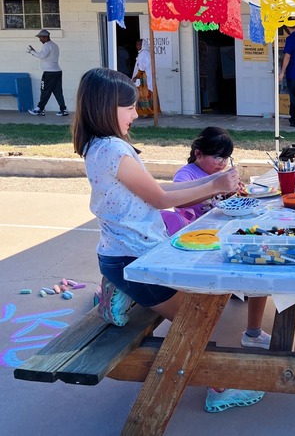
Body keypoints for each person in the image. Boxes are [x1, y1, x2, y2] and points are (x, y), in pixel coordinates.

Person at [72, 67, 264, 413]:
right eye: (128, 107)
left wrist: (210, 185)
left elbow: (160, 190)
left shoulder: (98, 146)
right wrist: (215, 186)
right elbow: (161, 200)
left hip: (129, 255)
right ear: (105, 107)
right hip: (135, 260)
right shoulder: (114, 149)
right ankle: (217, 388)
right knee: (197, 323)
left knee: (200, 304)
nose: (135, 113)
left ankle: (121, 293)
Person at [173, 126, 271, 349]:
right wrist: (215, 188)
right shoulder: (186, 175)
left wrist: (233, 193)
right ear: (198, 154)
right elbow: (177, 200)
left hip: (222, 233)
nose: (222, 162)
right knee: (253, 264)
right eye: (217, 156)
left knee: (260, 255)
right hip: (198, 240)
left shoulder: (219, 172)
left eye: (227, 157)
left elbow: (222, 203)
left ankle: (253, 330)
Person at [28, 29, 68, 117]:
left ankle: (39, 109)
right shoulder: (54, 45)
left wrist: (32, 52)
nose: (40, 39)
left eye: (40, 37)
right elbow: (45, 56)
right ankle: (63, 109)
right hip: (57, 71)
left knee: (45, 90)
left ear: (45, 37)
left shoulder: (47, 45)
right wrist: (35, 52)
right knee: (58, 91)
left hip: (49, 72)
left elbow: (42, 56)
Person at [132, 38, 159, 117]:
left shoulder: (143, 53)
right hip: (145, 76)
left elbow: (142, 66)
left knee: (144, 94)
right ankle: (149, 111)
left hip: (143, 77)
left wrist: (136, 76)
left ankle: (146, 111)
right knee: (146, 94)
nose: (137, 46)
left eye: (139, 44)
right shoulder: (145, 53)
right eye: (137, 44)